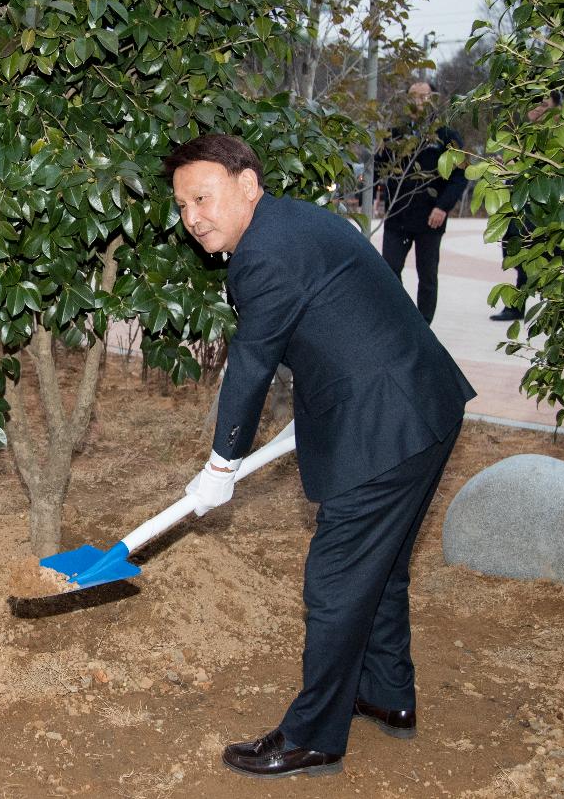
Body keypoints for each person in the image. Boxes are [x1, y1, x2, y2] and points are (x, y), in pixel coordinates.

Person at [164, 133, 475, 778]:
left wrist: (222, 465)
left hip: (390, 420)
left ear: (247, 184)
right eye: (183, 206)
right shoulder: (288, 225)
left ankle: (313, 737)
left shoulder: (264, 252)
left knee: (335, 581)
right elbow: (336, 326)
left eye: (203, 197)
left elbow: (250, 366)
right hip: (421, 402)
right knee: (379, 568)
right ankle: (386, 696)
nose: (193, 217)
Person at [376, 81, 469, 323]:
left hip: (431, 217)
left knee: (427, 276)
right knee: (389, 270)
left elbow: (460, 176)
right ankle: (400, 320)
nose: (418, 102)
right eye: (413, 96)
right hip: (398, 214)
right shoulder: (395, 133)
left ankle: (424, 324)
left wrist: (443, 206)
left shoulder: (447, 135)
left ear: (433, 99)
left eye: (423, 96)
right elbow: (380, 168)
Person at [491, 91, 561, 321]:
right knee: (519, 257)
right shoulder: (518, 136)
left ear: (556, 108)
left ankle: (560, 308)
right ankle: (517, 306)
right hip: (520, 208)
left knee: (551, 258)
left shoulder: (559, 136)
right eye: (533, 104)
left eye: (543, 104)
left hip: (547, 208)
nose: (538, 109)